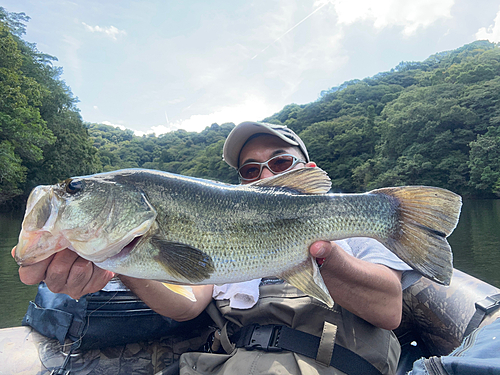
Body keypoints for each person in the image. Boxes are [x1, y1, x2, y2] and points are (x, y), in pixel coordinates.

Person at [14, 121, 420, 374]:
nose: (263, 175)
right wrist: (123, 266)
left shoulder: (357, 223)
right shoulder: (217, 227)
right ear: (240, 184)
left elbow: (388, 310)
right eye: (249, 170)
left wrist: (322, 254)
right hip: (228, 363)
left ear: (308, 171)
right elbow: (187, 304)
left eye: (279, 163)